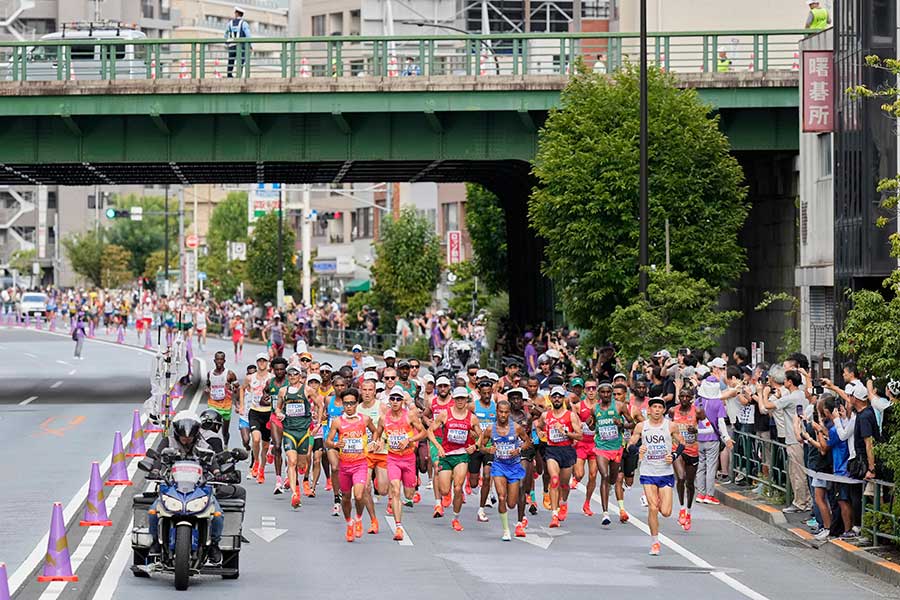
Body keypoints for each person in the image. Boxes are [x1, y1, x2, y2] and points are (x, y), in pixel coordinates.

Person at [149, 411, 224, 564]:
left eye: (189, 436)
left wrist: (218, 473)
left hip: (199, 488)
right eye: (183, 435)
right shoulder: (167, 442)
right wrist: (156, 471)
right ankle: (156, 541)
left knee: (217, 514)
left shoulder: (203, 445)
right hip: (171, 487)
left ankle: (214, 545)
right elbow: (158, 458)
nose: (186, 439)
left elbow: (213, 462)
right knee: (153, 512)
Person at [626, 397, 685, 556]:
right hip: (648, 472)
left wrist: (673, 455)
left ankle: (655, 500)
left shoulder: (670, 426)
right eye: (654, 407)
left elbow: (682, 443)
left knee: (665, 512)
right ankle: (655, 543)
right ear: (649, 410)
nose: (657, 410)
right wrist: (638, 449)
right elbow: (629, 445)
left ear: (664, 410)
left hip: (665, 472)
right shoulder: (641, 426)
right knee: (653, 508)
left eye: (660, 407)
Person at [326, 388, 378, 542]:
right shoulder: (338, 422)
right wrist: (336, 443)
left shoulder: (364, 419)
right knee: (346, 498)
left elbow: (375, 431)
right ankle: (349, 523)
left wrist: (373, 442)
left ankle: (359, 518)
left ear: (357, 403)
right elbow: (327, 442)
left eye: (352, 403)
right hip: (345, 466)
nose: (349, 407)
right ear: (343, 404)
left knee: (360, 494)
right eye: (346, 403)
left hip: (360, 464)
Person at [376, 386, 427, 541]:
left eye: (398, 399)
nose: (395, 401)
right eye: (393, 399)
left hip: (409, 459)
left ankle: (414, 481)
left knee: (409, 494)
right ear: (389, 401)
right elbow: (377, 434)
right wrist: (376, 442)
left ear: (402, 401)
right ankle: (398, 527)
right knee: (395, 490)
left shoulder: (409, 416)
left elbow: (424, 432)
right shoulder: (384, 418)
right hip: (393, 458)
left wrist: (409, 440)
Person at [428, 386, 481, 532]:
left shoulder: (472, 417)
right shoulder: (445, 414)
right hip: (446, 455)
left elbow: (481, 435)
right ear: (454, 399)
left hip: (461, 455)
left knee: (458, 487)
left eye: (462, 399)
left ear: (466, 400)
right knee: (445, 491)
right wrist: (438, 446)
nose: (460, 401)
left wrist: (475, 446)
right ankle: (447, 489)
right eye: (457, 398)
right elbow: (430, 431)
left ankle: (456, 518)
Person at [478, 399, 532, 541]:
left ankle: (518, 520)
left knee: (511, 504)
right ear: (496, 412)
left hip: (513, 466)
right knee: (502, 497)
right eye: (500, 412)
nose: (503, 415)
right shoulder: (490, 429)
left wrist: (519, 449)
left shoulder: (517, 428)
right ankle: (506, 530)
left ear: (509, 413)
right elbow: (481, 447)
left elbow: (528, 442)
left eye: (506, 412)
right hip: (498, 466)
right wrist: (488, 449)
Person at [535, 386, 582, 528]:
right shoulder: (546, 415)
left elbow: (579, 435)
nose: (556, 399)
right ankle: (554, 515)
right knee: (554, 479)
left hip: (566, 451)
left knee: (564, 484)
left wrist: (566, 432)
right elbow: (538, 426)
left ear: (563, 399)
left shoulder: (570, 415)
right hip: (551, 451)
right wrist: (539, 433)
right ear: (550, 398)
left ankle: (563, 503)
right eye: (554, 396)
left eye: (559, 396)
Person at [276, 366, 316, 509]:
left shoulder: (307, 390)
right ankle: (294, 493)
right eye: (290, 374)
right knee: (291, 462)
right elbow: (278, 407)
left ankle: (301, 475)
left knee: (301, 465)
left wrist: (316, 421)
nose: (292, 376)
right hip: (289, 431)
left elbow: (320, 403)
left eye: (295, 374)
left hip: (303, 431)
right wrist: (279, 413)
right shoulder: (283, 391)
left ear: (300, 376)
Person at [593, 381, 630, 525]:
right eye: (603, 392)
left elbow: (632, 423)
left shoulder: (620, 406)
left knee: (613, 479)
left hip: (616, 448)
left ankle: (613, 489)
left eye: (609, 392)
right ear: (599, 394)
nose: (606, 395)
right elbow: (592, 426)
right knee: (605, 476)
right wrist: (591, 424)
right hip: (601, 448)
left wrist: (622, 425)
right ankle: (605, 513)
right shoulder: (594, 409)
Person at [694, 377, 731, 505]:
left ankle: (700, 493)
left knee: (700, 466)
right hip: (712, 438)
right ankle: (709, 495)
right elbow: (721, 422)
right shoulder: (718, 403)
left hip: (699, 438)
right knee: (711, 467)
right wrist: (726, 438)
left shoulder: (697, 401)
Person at [670, 386, 701, 531]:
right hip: (678, 449)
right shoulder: (672, 411)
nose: (684, 399)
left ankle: (688, 511)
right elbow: (668, 427)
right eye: (682, 396)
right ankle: (681, 508)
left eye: (687, 397)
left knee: (689, 483)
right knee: (680, 478)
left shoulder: (698, 411)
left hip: (692, 450)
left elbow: (709, 428)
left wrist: (696, 430)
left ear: (692, 398)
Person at [241, 353, 272, 484]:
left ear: (267, 363)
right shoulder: (250, 378)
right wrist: (242, 405)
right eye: (259, 361)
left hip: (268, 413)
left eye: (264, 361)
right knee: (256, 439)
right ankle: (256, 461)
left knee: (265, 445)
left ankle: (262, 470)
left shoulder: (272, 378)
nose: (262, 363)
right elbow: (242, 389)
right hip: (254, 412)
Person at [470, 378, 497, 523]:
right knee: (474, 483)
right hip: (475, 447)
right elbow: (464, 421)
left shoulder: (496, 407)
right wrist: (470, 432)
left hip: (489, 448)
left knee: (487, 475)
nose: (487, 396)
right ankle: (474, 484)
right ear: (479, 392)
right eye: (484, 393)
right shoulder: (472, 407)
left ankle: (482, 508)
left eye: (489, 393)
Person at [574, 378, 599, 517]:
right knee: (579, 474)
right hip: (582, 443)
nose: (591, 391)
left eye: (593, 388)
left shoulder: (601, 406)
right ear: (584, 390)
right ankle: (574, 478)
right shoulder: (578, 406)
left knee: (593, 475)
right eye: (588, 388)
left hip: (595, 444)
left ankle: (587, 503)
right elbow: (574, 423)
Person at [206, 351, 238, 446]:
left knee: (224, 431)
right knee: (212, 430)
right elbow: (208, 384)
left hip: (225, 406)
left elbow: (237, 388)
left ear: (224, 361)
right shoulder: (210, 373)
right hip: (212, 404)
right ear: (214, 360)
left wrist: (231, 388)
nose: (219, 361)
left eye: (221, 359)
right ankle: (213, 447)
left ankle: (225, 446)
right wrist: (207, 389)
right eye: (217, 359)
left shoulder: (230, 374)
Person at [224, 6, 251, 78]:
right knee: (241, 60)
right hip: (241, 46)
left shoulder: (230, 23)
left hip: (232, 45)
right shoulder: (244, 23)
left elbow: (226, 33)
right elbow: (248, 36)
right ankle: (239, 75)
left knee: (231, 60)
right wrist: (250, 45)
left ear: (236, 13)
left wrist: (226, 42)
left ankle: (229, 75)